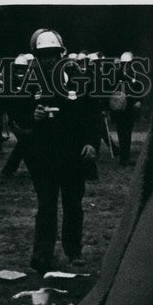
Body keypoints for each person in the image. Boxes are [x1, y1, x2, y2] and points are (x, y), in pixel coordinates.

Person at [25, 29, 103, 274]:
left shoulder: (79, 79)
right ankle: (42, 255)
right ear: (37, 57)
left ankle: (73, 250)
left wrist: (92, 142)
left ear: (61, 54)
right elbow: (16, 113)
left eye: (52, 54)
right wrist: (32, 115)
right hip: (44, 156)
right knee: (46, 206)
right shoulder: (29, 81)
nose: (48, 59)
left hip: (72, 154)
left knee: (73, 205)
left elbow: (93, 114)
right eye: (43, 55)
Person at [0, 54, 35, 178]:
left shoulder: (31, 83)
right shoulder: (10, 83)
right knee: (25, 142)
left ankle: (9, 169)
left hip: (28, 120)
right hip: (15, 120)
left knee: (24, 144)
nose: (20, 70)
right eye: (18, 68)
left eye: (23, 68)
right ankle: (12, 169)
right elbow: (6, 104)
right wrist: (11, 120)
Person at [108, 51, 143, 166]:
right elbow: (110, 89)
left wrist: (139, 101)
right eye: (124, 64)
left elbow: (140, 89)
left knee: (127, 133)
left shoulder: (136, 74)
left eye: (128, 63)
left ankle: (125, 158)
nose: (126, 66)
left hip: (129, 107)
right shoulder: (116, 74)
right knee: (121, 132)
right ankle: (123, 158)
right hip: (118, 108)